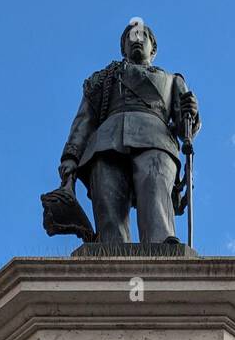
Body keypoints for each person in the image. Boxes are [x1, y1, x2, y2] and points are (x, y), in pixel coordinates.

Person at [58, 18, 200, 245]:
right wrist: (70, 156)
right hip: (105, 141)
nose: (137, 39)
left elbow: (185, 129)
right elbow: (84, 120)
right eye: (130, 36)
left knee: (154, 193)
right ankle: (110, 252)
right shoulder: (102, 80)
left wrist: (191, 113)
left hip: (156, 140)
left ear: (153, 48)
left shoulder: (172, 80)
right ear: (123, 47)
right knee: (108, 205)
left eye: (143, 36)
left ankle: (161, 246)